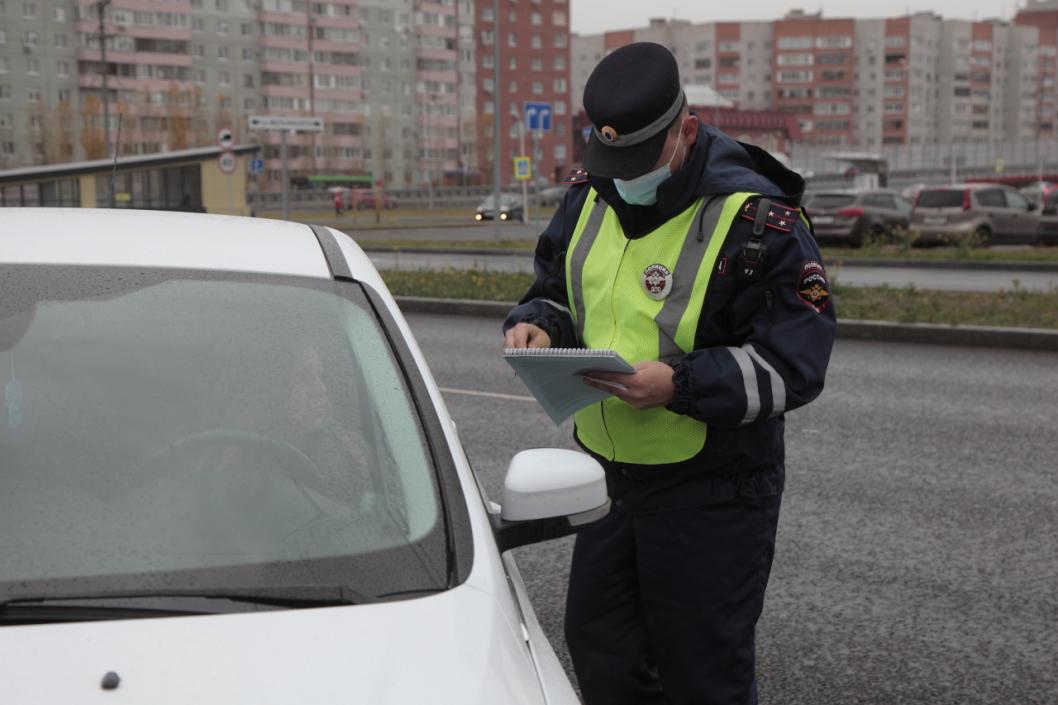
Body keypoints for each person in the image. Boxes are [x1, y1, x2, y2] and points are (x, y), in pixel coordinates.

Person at [502, 42, 836, 705]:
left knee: (702, 675)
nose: (621, 177)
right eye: (610, 161)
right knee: (603, 656)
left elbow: (793, 366)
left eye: (636, 161)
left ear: (686, 130)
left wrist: (679, 384)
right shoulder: (590, 194)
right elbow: (557, 286)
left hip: (713, 490)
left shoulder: (758, 219)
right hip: (611, 481)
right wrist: (540, 323)